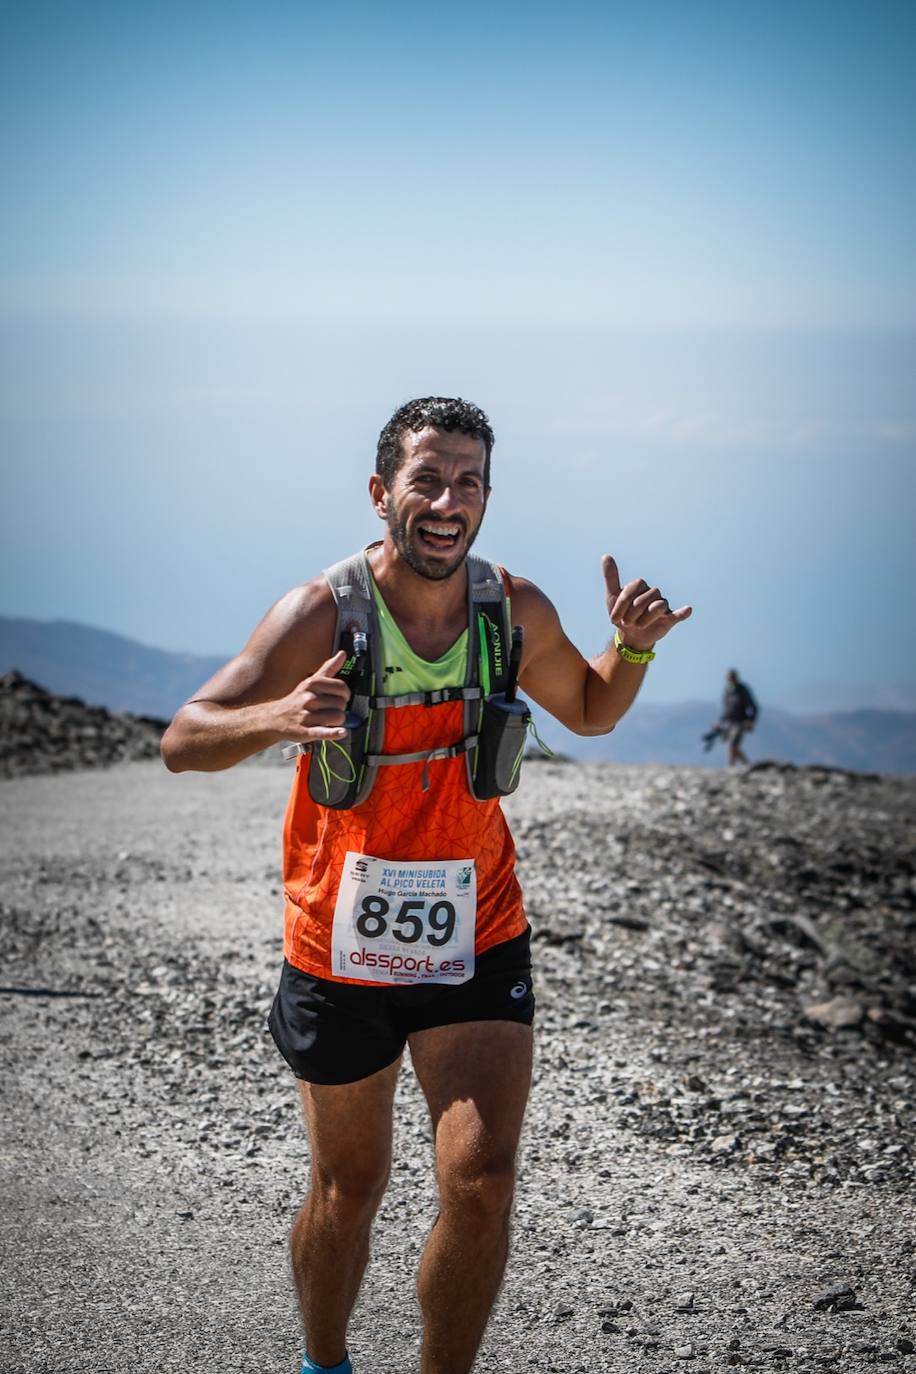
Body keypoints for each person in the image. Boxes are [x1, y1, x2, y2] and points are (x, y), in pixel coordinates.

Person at [160, 396, 692, 1374]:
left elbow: (592, 709)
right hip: (339, 941)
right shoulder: (320, 612)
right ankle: (326, 1362)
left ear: (488, 495)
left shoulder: (513, 609)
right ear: (381, 494)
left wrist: (634, 646)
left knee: (481, 1181)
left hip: (477, 932)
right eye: (428, 479)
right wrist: (279, 715)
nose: (449, 501)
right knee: (348, 1190)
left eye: (469, 481)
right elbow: (183, 738)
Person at [702, 668, 758, 766]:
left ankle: (730, 767)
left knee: (732, 744)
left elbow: (754, 707)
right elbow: (726, 709)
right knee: (734, 747)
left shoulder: (743, 690)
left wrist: (751, 720)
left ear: (736, 678)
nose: (729, 680)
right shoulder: (727, 691)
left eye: (731, 678)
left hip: (740, 722)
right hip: (728, 722)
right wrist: (719, 722)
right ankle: (749, 766)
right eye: (727, 678)